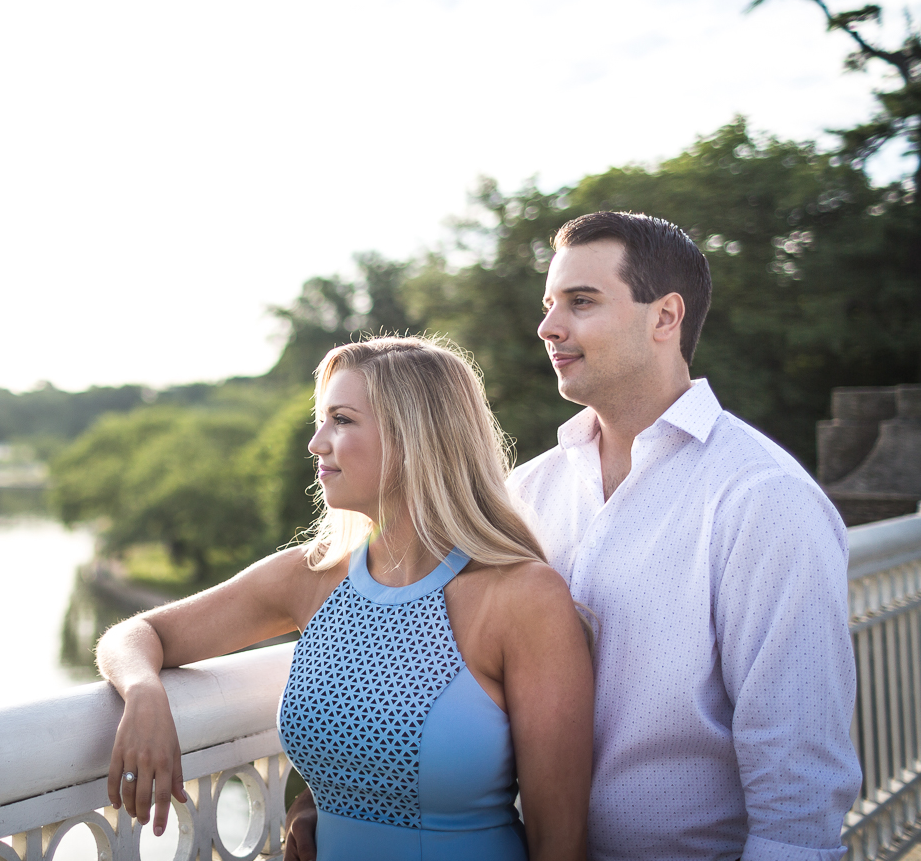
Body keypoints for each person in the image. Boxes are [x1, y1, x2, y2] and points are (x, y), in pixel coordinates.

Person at [285, 212, 862, 861]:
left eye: (581, 302)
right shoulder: (523, 494)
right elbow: (416, 653)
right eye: (549, 304)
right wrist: (329, 800)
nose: (549, 327)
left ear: (665, 318)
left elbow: (798, 795)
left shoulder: (765, 501)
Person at [97, 336, 594, 861]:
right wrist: (145, 693)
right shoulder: (311, 577)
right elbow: (136, 635)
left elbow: (559, 841)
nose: (316, 442)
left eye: (342, 420)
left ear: (415, 437)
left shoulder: (521, 596)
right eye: (322, 419)